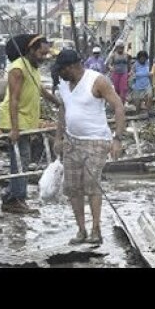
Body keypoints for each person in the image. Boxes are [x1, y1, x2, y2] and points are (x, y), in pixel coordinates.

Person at [53, 49, 125, 246]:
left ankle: (96, 230)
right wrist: (58, 137)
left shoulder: (97, 80)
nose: (60, 74)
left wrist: (117, 139)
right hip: (71, 141)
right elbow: (63, 109)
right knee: (73, 188)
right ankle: (81, 230)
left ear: (71, 67)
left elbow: (118, 106)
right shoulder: (64, 85)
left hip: (96, 140)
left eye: (62, 70)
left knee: (91, 185)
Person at [0, 33, 60, 214]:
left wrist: (58, 102)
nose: (44, 57)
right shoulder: (18, 68)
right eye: (41, 53)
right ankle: (15, 199)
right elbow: (14, 99)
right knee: (20, 159)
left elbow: (40, 89)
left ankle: (11, 195)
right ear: (31, 50)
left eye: (46, 54)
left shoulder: (33, 68)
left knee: (23, 159)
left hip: (26, 120)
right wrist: (14, 128)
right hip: (15, 119)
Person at [129, 50, 153, 114]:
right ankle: (137, 113)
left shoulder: (148, 64)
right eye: (141, 58)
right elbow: (131, 73)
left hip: (147, 84)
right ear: (139, 58)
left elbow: (151, 73)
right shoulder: (135, 65)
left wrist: (152, 82)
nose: (143, 59)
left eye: (144, 58)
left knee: (150, 96)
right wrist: (132, 83)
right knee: (137, 104)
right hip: (138, 86)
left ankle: (147, 112)